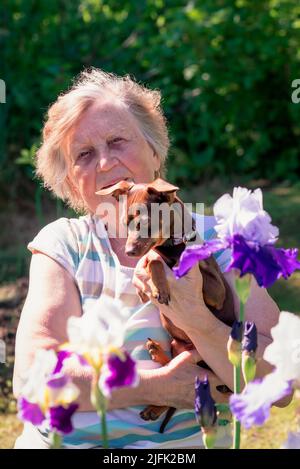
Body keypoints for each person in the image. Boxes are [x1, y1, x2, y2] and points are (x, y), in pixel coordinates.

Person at [13, 68, 288, 449]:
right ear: (70, 181)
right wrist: (157, 387)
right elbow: (31, 378)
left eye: (117, 141)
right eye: (85, 154)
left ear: (155, 150)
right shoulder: (63, 244)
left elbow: (281, 381)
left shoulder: (221, 238)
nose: (105, 164)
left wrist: (196, 319)